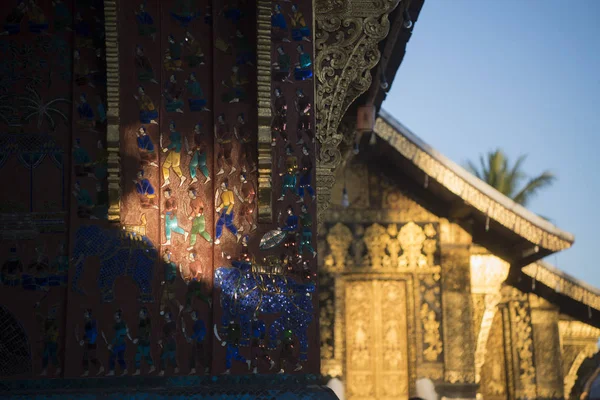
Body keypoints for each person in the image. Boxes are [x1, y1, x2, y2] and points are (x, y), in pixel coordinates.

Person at [215, 180, 242, 245]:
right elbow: (224, 203)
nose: (222, 186)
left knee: (228, 224)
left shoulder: (230, 192)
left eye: (223, 185)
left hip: (229, 211)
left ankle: (237, 234)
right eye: (222, 185)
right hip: (224, 211)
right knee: (219, 224)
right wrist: (219, 207)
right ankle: (217, 238)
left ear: (226, 185)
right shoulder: (222, 194)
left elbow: (232, 203)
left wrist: (228, 212)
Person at [106, 309, 131, 376]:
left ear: (118, 316)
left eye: (115, 315)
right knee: (120, 358)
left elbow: (117, 336)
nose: (114, 316)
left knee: (113, 357)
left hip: (119, 345)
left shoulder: (121, 324)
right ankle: (124, 370)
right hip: (120, 344)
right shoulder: (118, 324)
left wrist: (111, 345)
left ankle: (112, 371)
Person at [78, 309, 104, 376]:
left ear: (89, 314)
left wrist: (91, 341)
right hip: (88, 342)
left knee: (88, 357)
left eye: (86, 313)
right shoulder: (86, 323)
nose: (84, 314)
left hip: (91, 342)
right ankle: (99, 368)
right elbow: (86, 334)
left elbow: (94, 333)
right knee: (88, 357)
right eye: (84, 313)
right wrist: (83, 340)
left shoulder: (92, 322)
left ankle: (94, 369)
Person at [37, 306, 61, 376]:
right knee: (46, 356)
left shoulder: (54, 323)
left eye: (51, 313)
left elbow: (52, 332)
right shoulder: (48, 321)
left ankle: (57, 368)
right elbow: (45, 330)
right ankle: (45, 370)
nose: (49, 314)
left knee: (51, 356)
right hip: (48, 342)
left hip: (52, 342)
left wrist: (46, 335)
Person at [183, 310, 208, 374]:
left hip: (199, 341)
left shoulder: (199, 322)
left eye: (193, 314)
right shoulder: (196, 323)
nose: (192, 316)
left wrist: (192, 337)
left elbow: (200, 331)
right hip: (197, 341)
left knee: (199, 355)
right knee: (196, 355)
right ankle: (195, 369)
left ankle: (204, 368)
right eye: (191, 315)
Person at [161, 121, 186, 187]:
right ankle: (166, 180)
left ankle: (182, 177)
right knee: (165, 166)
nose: (170, 128)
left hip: (176, 152)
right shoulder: (172, 134)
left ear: (174, 127)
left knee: (175, 166)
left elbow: (175, 143)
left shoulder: (176, 134)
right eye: (170, 126)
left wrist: (167, 148)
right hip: (172, 152)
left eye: (172, 126)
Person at [133, 307, 155, 375]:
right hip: (141, 342)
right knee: (138, 355)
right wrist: (137, 338)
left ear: (144, 314)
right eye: (140, 313)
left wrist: (137, 339)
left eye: (141, 313)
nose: (139, 314)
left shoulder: (147, 321)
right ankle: (138, 370)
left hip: (145, 342)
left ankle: (152, 367)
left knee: (146, 355)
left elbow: (146, 333)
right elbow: (140, 332)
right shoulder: (141, 321)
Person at [160, 249, 182, 316]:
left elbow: (174, 274)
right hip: (168, 282)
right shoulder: (165, 265)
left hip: (171, 282)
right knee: (169, 297)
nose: (164, 258)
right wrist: (164, 281)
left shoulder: (172, 264)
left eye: (165, 257)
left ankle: (162, 310)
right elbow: (165, 274)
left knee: (166, 296)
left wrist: (171, 282)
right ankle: (179, 305)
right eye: (163, 257)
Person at [158, 312, 179, 376]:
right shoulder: (164, 326)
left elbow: (174, 333)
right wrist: (161, 340)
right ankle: (163, 370)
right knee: (163, 357)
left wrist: (165, 338)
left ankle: (175, 368)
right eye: (165, 315)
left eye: (167, 315)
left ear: (170, 316)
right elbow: (164, 334)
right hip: (166, 343)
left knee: (171, 357)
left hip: (171, 343)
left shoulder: (173, 323)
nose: (165, 317)